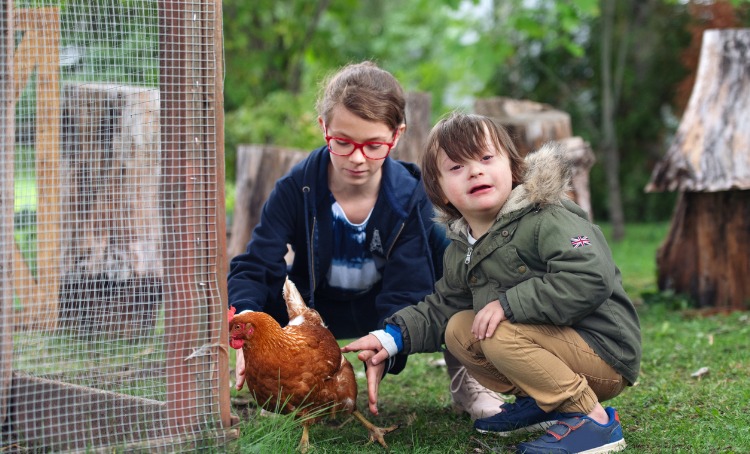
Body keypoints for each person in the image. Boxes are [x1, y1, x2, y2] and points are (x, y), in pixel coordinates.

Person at [343, 112, 641, 454]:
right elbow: (444, 306)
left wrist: (509, 304)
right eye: (456, 167)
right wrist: (390, 338)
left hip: (603, 351)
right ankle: (544, 402)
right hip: (553, 348)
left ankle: (594, 422)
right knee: (459, 327)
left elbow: (589, 275)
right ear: (439, 190)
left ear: (512, 168)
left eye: (486, 158)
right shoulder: (463, 245)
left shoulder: (545, 216)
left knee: (497, 328)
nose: (475, 170)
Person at [227, 63, 505, 419]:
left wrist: (388, 344)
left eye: (374, 145)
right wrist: (249, 324)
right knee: (258, 290)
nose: (357, 158)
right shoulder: (296, 188)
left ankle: (470, 375)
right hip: (313, 311)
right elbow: (258, 262)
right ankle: (283, 384)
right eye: (342, 142)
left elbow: (409, 284)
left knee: (453, 257)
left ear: (397, 134)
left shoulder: (410, 195)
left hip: (385, 304)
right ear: (324, 128)